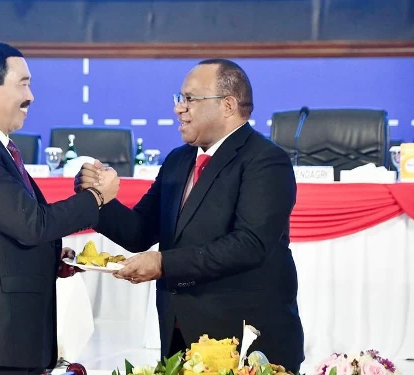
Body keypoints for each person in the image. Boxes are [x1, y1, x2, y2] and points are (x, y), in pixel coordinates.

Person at [75, 59, 304, 373]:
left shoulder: (265, 160)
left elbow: (249, 244)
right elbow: (139, 231)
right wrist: (96, 200)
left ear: (227, 105)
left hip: (245, 341)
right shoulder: (179, 159)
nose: (179, 109)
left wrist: (164, 264)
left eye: (190, 99)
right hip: (180, 336)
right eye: (179, 99)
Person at [0, 41, 119, 375]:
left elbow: (14, 232)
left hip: (12, 341)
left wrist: (52, 257)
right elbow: (31, 224)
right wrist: (96, 198)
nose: (31, 96)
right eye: (23, 83)